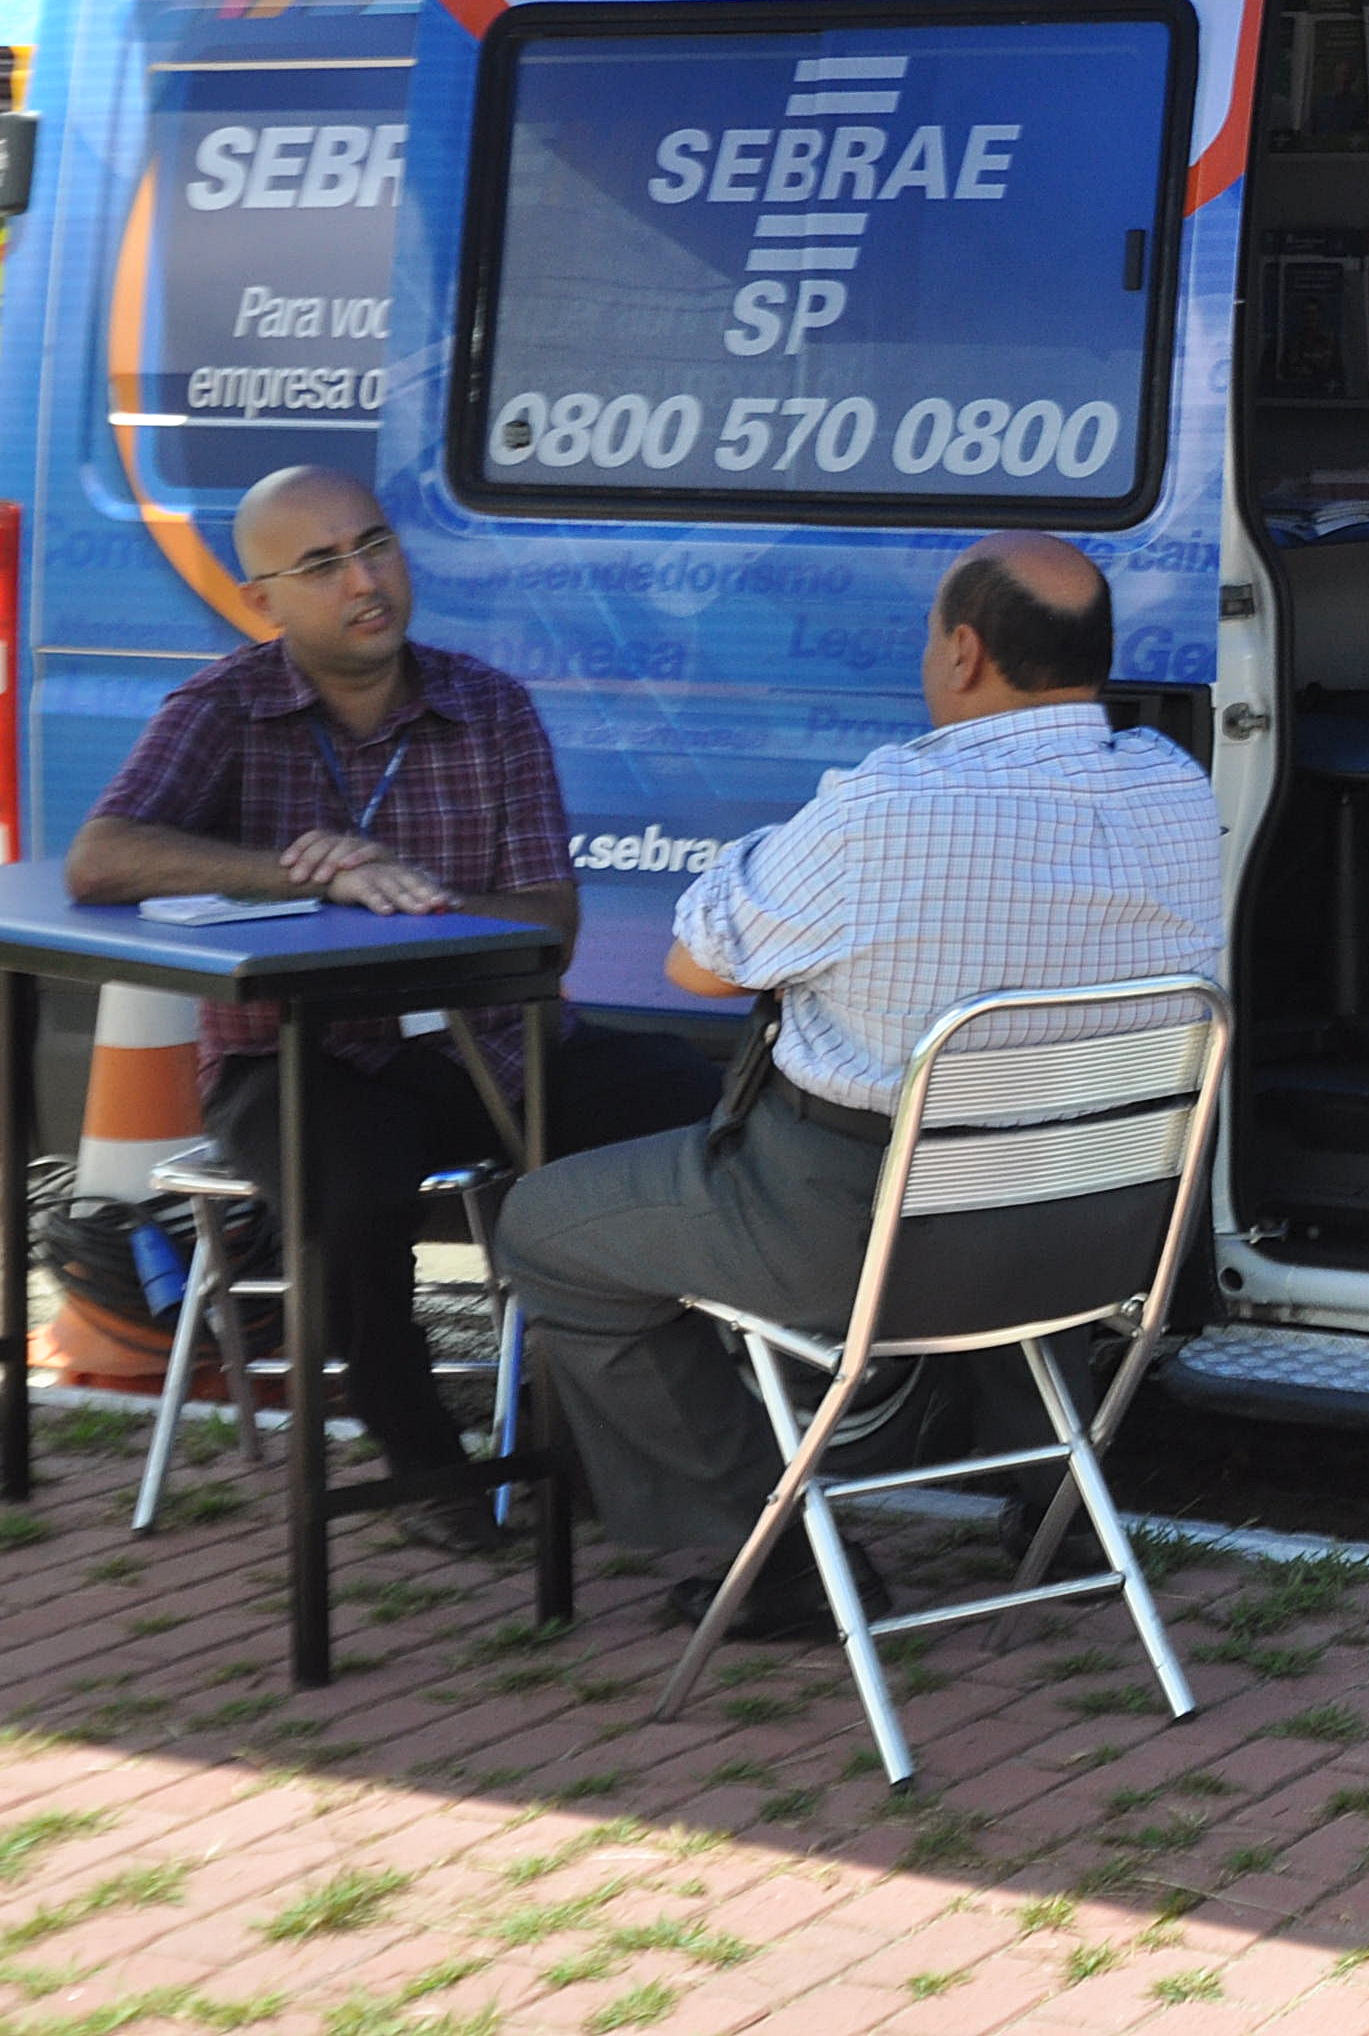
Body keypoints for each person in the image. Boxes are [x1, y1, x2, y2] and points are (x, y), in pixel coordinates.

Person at [494, 535, 1223, 1639]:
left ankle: (774, 1557)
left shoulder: (885, 808)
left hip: (860, 1230)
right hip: (1100, 1227)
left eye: (933, 635)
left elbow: (698, 961)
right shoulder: (1175, 789)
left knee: (544, 1225)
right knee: (1015, 1146)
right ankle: (1062, 1512)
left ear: (964, 651)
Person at [64, 466, 718, 1548]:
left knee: (696, 1100)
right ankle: (420, 1463)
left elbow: (550, 924)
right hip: (302, 1057)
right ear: (263, 595)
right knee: (357, 1190)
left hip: (495, 1046)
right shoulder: (224, 707)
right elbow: (101, 857)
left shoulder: (488, 705)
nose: (364, 581)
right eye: (321, 565)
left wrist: (408, 892)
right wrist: (299, 871)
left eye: (375, 547)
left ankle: (596, 1430)